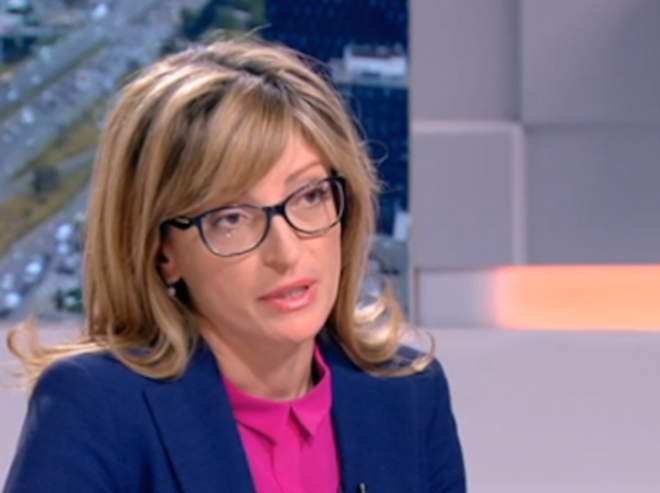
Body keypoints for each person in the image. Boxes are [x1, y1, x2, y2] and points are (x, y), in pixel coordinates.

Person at [3, 38, 466, 493]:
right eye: (231, 218)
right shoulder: (97, 409)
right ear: (162, 252)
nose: (286, 252)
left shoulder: (408, 394)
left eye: (310, 196)